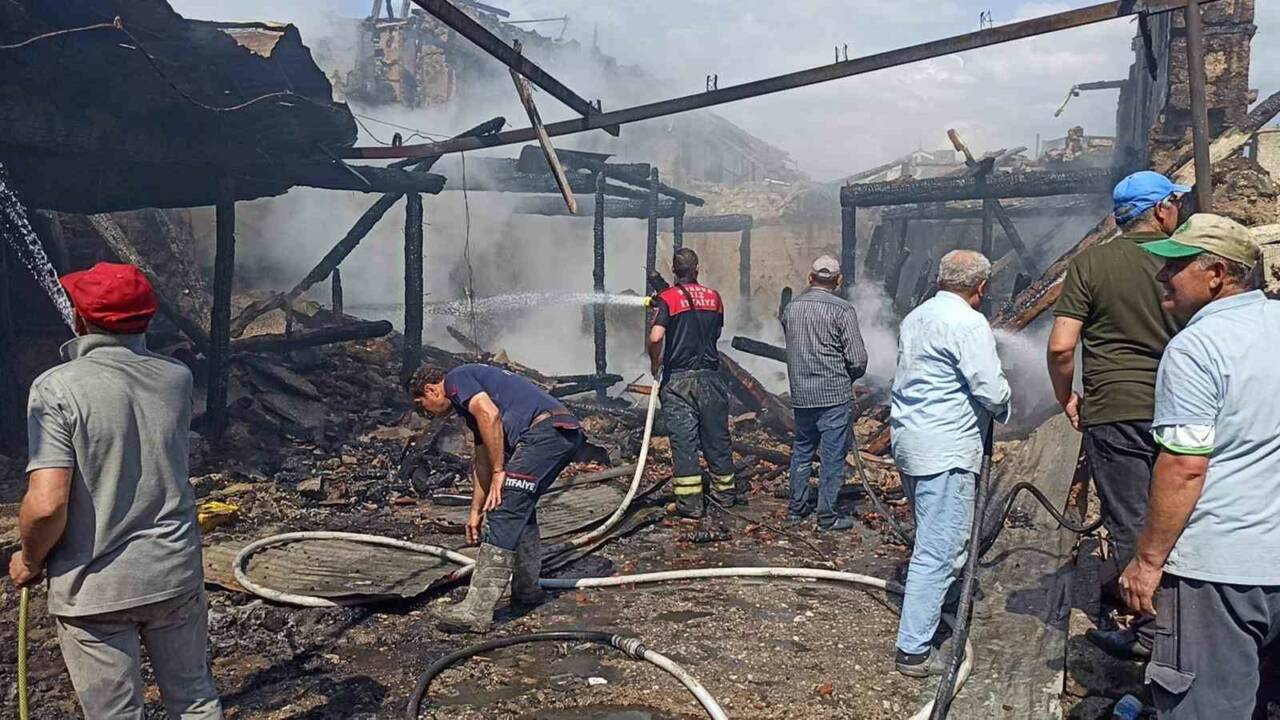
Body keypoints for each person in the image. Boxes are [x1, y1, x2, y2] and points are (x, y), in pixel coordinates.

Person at [8, 262, 222, 719]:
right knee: (194, 699)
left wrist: (29, 559)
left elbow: (46, 505)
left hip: (95, 588)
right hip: (174, 572)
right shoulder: (176, 378)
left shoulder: (56, 388)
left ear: (80, 318)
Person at [1117, 214, 1279, 718]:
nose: (1162, 275)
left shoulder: (1197, 348)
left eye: (1176, 265)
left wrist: (1148, 561)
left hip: (1220, 569)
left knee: (1206, 707)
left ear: (1216, 275)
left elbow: (1185, 466)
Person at [1047, 170, 1187, 659]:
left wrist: (1066, 396)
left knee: (1130, 519)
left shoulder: (1092, 263)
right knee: (1183, 513)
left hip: (1114, 407)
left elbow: (1061, 347)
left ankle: (1151, 634)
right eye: (1175, 203)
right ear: (1162, 209)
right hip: (1184, 404)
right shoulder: (1186, 258)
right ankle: (1185, 629)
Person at [889, 249, 1011, 677]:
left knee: (933, 535)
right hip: (945, 449)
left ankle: (938, 602)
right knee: (940, 549)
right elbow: (991, 389)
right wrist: (1005, 402)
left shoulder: (916, 316)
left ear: (941, 279)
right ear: (982, 287)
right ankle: (913, 650)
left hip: (911, 442)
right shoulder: (969, 323)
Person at [408, 363, 583, 633]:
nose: (426, 412)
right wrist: (475, 511)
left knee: (503, 508)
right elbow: (482, 460)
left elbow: (490, 415)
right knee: (519, 508)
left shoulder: (456, 378)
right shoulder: (470, 404)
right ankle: (527, 591)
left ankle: (476, 611)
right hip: (558, 432)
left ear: (432, 390)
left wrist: (501, 471)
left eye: (422, 405)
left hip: (545, 433)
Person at [647, 248, 735, 533]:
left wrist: (655, 362)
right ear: (697, 269)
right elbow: (716, 333)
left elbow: (656, 337)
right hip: (711, 378)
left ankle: (690, 505)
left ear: (674, 271)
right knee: (717, 437)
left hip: (679, 380)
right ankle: (725, 495)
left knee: (684, 442)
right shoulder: (714, 297)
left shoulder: (668, 298)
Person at [781, 255, 868, 531]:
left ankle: (796, 510)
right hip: (834, 397)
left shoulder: (791, 309)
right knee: (832, 457)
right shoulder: (843, 310)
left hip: (802, 395)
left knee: (802, 451)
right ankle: (827, 517)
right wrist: (848, 377)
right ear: (838, 281)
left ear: (810, 278)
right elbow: (858, 359)